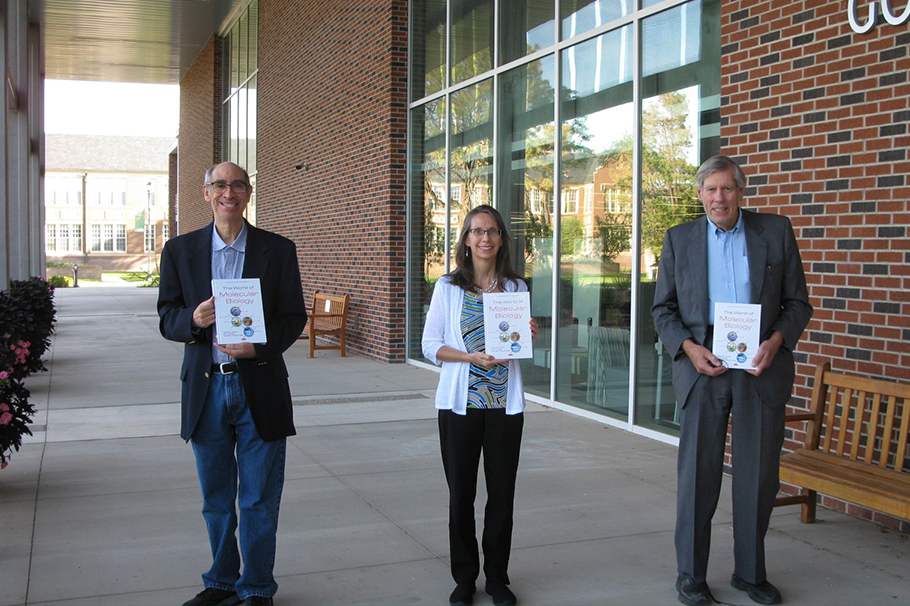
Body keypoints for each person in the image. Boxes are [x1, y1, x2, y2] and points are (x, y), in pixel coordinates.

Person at [651, 156, 813, 606]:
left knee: (758, 478)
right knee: (698, 478)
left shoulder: (775, 232)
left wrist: (776, 341)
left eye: (727, 189)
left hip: (759, 372)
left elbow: (798, 303)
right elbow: (662, 309)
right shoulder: (679, 239)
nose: (718, 197)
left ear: (741, 192)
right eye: (710, 189)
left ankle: (750, 573)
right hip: (703, 372)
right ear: (700, 194)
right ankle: (691, 577)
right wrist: (688, 347)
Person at [158, 162, 306, 606]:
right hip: (206, 390)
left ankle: (257, 588)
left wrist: (258, 347)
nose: (229, 192)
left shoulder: (277, 250)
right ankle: (221, 582)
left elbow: (293, 317)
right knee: (217, 499)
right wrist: (193, 320)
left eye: (238, 185)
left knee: (259, 498)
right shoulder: (179, 251)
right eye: (220, 185)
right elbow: (167, 316)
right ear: (206, 193)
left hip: (259, 387)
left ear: (248, 193)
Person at [422, 205, 538, 606]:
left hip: (504, 406)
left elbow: (516, 347)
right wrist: (471, 358)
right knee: (461, 497)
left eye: (492, 231)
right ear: (466, 240)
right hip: (460, 407)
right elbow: (429, 345)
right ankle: (465, 578)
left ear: (501, 238)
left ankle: (498, 579)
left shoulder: (516, 289)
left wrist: (528, 333)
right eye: (477, 231)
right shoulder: (448, 288)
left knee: (502, 496)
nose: (485, 238)